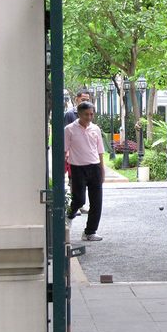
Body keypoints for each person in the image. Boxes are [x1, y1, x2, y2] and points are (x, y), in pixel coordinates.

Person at [64, 101, 105, 242]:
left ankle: (90, 232)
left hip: (94, 167)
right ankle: (69, 216)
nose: (89, 117)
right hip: (77, 168)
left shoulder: (96, 129)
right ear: (79, 114)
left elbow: (100, 151)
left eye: (91, 114)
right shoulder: (69, 129)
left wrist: (102, 169)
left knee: (97, 202)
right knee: (79, 199)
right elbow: (64, 150)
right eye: (86, 114)